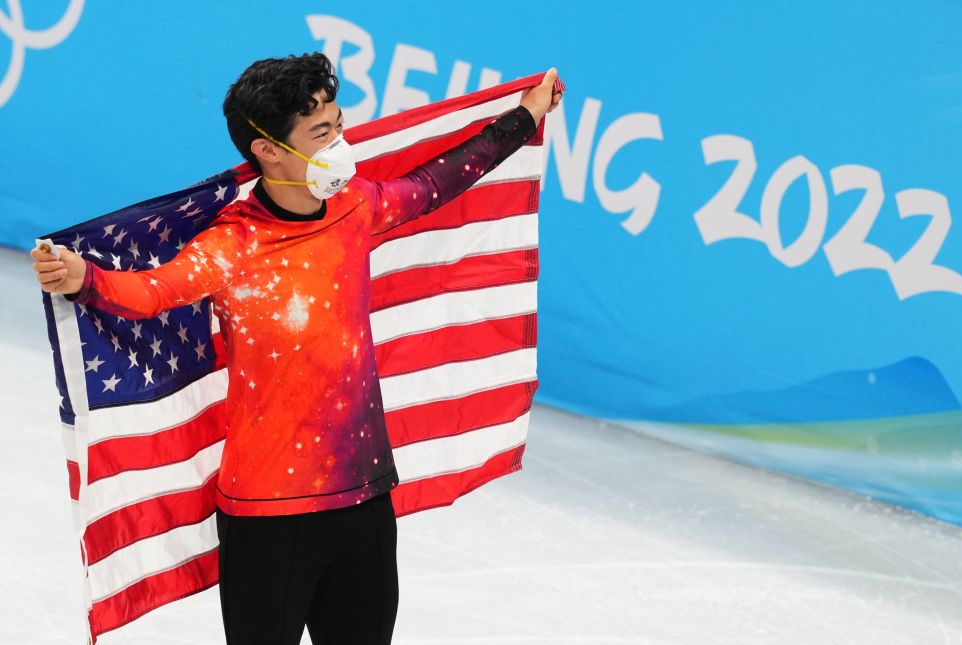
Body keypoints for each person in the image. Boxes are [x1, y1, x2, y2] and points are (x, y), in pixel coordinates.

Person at [29, 53, 562, 645]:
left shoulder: (356, 206)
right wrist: (86, 279)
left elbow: (437, 183)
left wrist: (522, 119)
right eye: (321, 133)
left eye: (337, 123)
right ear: (268, 150)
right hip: (266, 520)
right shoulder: (234, 243)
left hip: (362, 505)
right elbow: (156, 291)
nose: (339, 142)